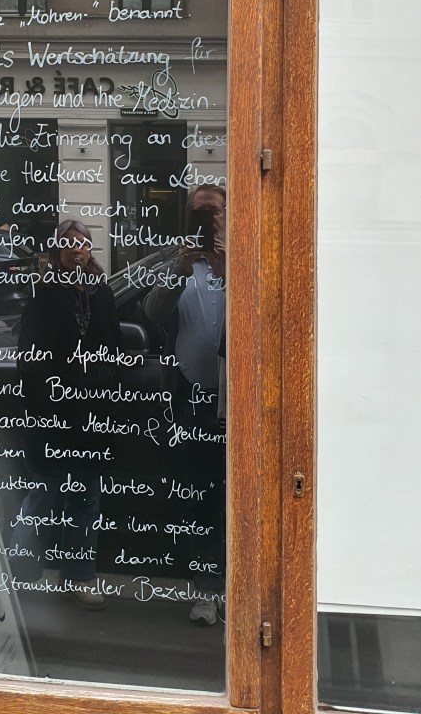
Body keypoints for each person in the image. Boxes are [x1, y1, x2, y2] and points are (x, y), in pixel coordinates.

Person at [10, 219, 121, 609]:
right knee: (44, 493)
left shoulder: (102, 294)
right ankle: (19, 572)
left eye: (84, 243)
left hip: (91, 416)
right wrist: (44, 402)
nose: (77, 249)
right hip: (54, 413)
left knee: (86, 499)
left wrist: (105, 388)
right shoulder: (44, 296)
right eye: (70, 244)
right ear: (58, 251)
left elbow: (114, 348)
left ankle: (80, 576)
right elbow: (29, 357)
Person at [144, 185, 227, 626]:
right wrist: (179, 270)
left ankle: (241, 589)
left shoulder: (243, 260)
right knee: (201, 495)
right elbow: (152, 312)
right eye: (199, 214)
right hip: (192, 397)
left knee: (243, 498)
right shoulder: (178, 263)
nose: (207, 222)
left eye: (215, 213)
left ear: (228, 215)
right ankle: (206, 591)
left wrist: (230, 265)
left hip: (239, 401)